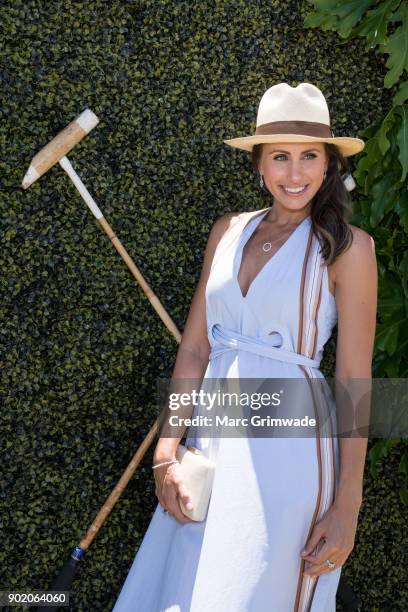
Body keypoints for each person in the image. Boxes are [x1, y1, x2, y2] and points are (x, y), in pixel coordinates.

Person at [112, 83, 377, 611]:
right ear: (259, 163)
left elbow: (354, 379)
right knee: (186, 591)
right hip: (211, 446)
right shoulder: (227, 232)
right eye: (280, 156)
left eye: (310, 157)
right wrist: (168, 449)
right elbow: (194, 351)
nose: (295, 173)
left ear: (327, 166)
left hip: (293, 452)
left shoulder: (348, 249)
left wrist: (348, 502)